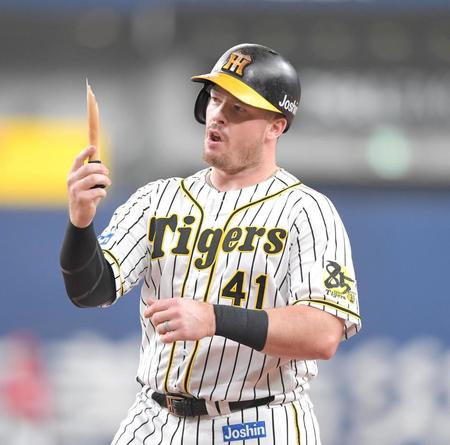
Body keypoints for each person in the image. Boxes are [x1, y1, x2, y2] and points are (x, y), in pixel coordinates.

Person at [60, 43, 361, 444]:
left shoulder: (307, 211)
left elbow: (323, 334)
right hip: (153, 419)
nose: (218, 114)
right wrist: (81, 224)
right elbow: (90, 291)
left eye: (238, 108)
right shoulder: (157, 199)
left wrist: (215, 318)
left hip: (257, 421)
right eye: (216, 99)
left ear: (275, 126)